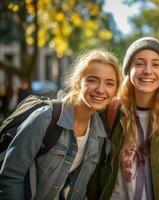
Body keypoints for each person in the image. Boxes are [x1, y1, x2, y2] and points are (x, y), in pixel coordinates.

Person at [0, 49, 121, 199]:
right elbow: (10, 177)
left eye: (110, 83)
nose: (101, 89)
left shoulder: (99, 135)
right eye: (92, 80)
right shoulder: (45, 118)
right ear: (78, 83)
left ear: (116, 90)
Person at [87, 37, 159, 200]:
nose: (148, 71)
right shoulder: (110, 111)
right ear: (129, 70)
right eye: (139, 63)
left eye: (156, 64)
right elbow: (93, 170)